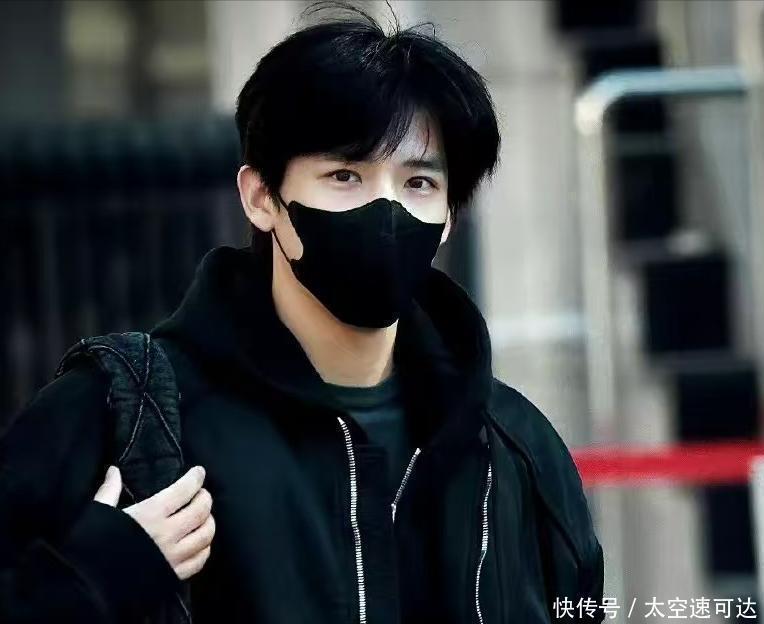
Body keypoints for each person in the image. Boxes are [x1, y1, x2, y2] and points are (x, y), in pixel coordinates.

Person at [0, 2, 604, 622]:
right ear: (261, 197)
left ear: (450, 215)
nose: (386, 211)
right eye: (344, 175)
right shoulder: (124, 413)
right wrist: (92, 577)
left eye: (418, 183)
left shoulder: (515, 447)